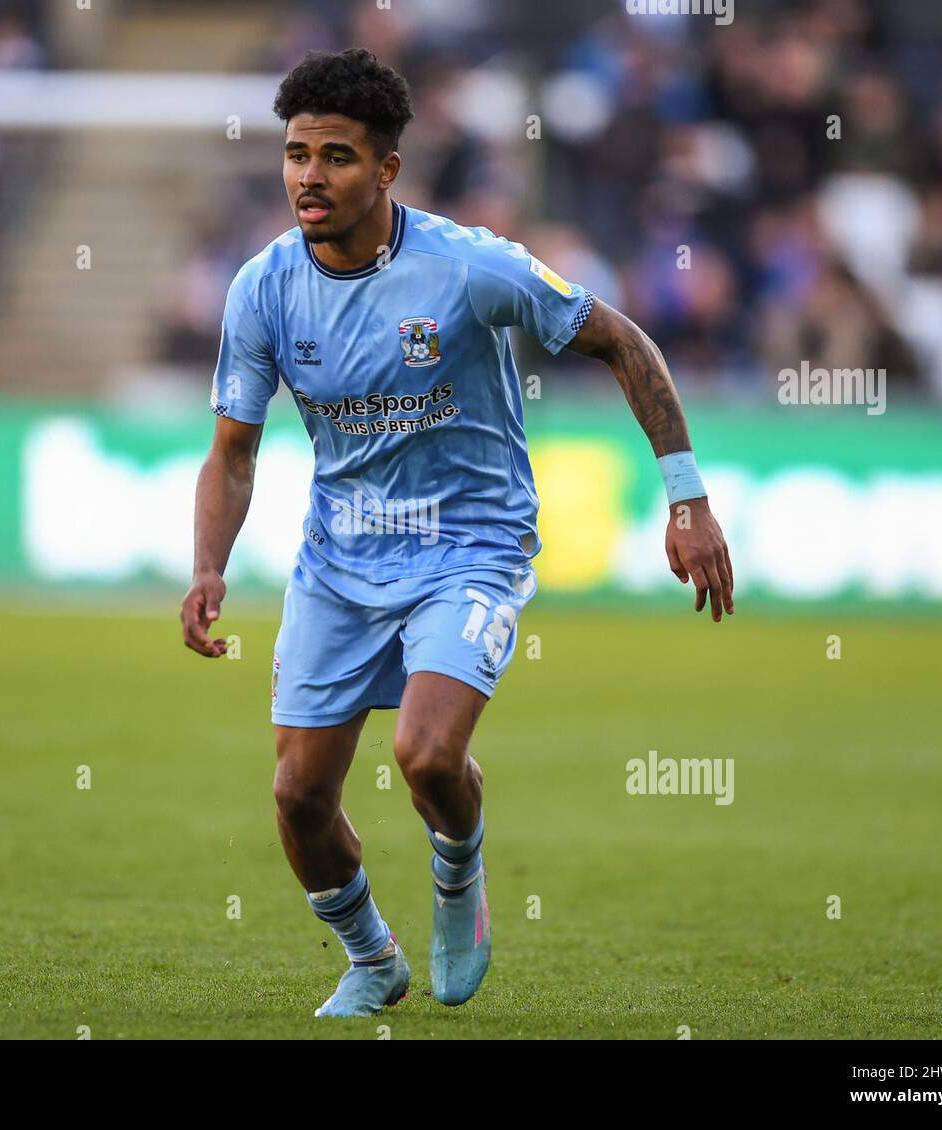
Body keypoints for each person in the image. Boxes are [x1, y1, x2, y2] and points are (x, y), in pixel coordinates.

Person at [181, 48, 734, 1018]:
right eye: (297, 153)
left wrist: (684, 496)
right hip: (338, 563)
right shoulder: (262, 289)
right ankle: (369, 953)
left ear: (387, 170)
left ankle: (458, 876)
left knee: (427, 754)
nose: (310, 175)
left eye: (337, 157)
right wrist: (207, 567)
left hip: (470, 547)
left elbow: (619, 339)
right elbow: (232, 451)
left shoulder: (472, 267)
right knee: (297, 797)